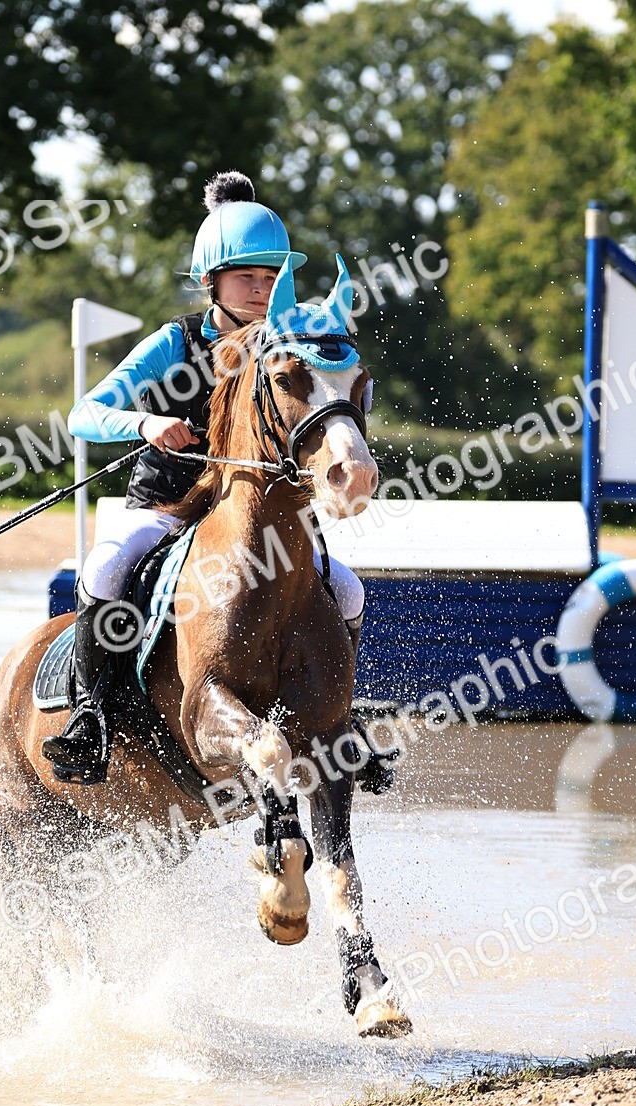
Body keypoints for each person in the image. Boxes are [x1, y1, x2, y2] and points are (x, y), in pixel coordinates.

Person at [42, 172, 390, 791]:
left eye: (270, 278)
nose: (260, 291)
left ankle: (339, 717)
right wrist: (144, 421)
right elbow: (83, 414)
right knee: (105, 567)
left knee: (347, 589)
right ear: (212, 283)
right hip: (167, 507)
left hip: (249, 516)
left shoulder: (289, 342)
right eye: (245, 279)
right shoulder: (175, 342)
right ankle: (90, 717)